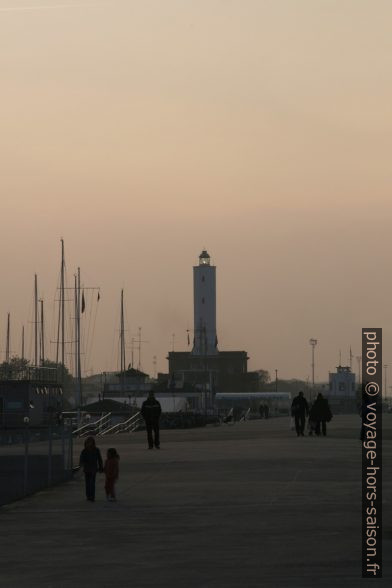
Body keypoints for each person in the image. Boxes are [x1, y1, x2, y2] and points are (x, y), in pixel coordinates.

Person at [79, 436, 103, 501]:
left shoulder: (96, 450)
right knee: (87, 483)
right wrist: (81, 465)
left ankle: (92, 496)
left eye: (91, 442)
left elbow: (99, 459)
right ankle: (88, 496)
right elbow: (81, 460)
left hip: (93, 469)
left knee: (92, 483)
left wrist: (101, 467)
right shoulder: (84, 451)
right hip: (87, 469)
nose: (89, 444)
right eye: (88, 442)